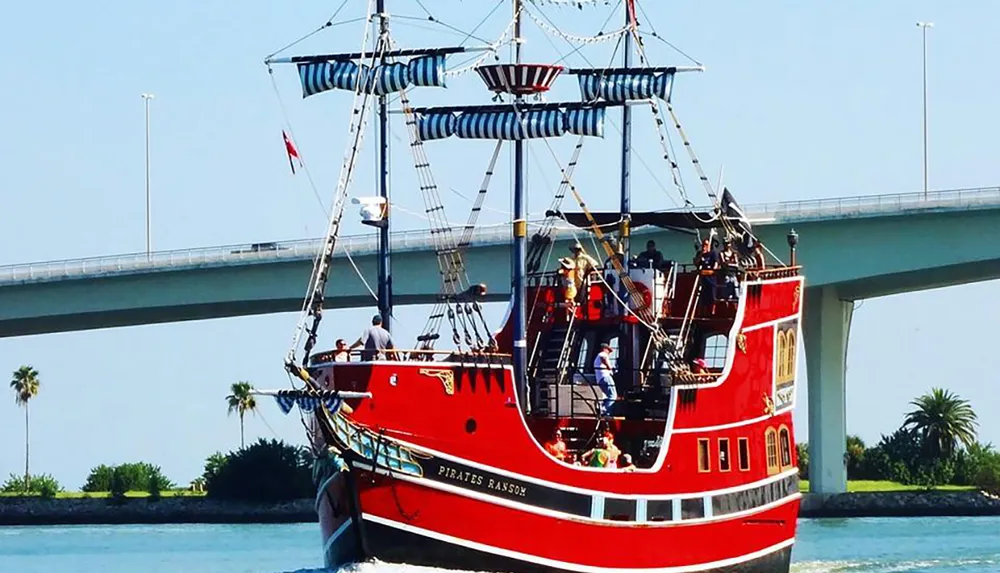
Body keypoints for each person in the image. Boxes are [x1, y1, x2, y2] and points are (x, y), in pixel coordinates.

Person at [693, 238, 719, 310]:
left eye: (706, 245)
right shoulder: (700, 254)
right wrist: (701, 254)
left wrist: (712, 269)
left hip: (711, 278)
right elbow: (696, 262)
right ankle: (703, 311)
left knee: (712, 296)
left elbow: (715, 265)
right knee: (703, 297)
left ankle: (712, 311)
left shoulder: (713, 253)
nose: (704, 246)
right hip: (703, 279)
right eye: (703, 245)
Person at [593, 342, 617, 417]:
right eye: (608, 350)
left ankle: (601, 405)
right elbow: (603, 358)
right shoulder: (602, 354)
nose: (609, 352)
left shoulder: (598, 357)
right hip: (605, 377)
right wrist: (609, 367)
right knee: (613, 396)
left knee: (608, 395)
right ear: (604, 349)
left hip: (600, 379)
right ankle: (605, 411)